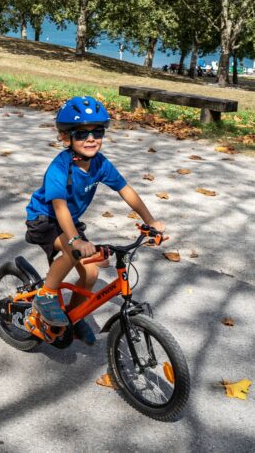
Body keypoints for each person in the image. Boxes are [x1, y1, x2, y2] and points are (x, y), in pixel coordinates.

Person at [24, 96, 165, 345]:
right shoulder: (59, 168)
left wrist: (150, 220)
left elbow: (125, 190)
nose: (90, 139)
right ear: (66, 138)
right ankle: (45, 295)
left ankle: (73, 319)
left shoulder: (100, 163)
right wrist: (76, 240)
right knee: (72, 251)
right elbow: (60, 208)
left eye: (97, 132)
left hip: (69, 222)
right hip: (44, 219)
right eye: (81, 134)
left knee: (90, 274)